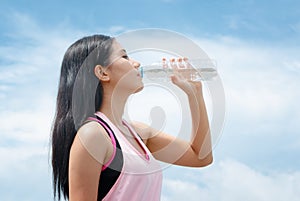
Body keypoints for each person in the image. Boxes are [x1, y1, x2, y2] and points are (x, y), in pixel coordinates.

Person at [51, 34, 213, 201]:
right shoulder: (93, 135)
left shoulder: (138, 133)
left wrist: (194, 94)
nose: (137, 63)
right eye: (124, 56)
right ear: (102, 72)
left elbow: (201, 157)